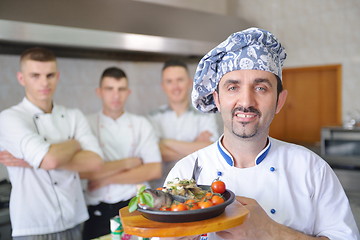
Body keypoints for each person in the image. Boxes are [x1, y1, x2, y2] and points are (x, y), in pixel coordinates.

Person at [163, 28, 360, 239]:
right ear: (218, 100)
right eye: (232, 87)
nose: (246, 102)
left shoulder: (312, 169)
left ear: (279, 101)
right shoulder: (186, 173)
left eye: (261, 88)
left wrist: (269, 230)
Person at [0, 47, 103, 239]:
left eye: (50, 75)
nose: (44, 82)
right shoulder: (9, 118)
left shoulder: (74, 115)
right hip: (33, 226)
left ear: (58, 76)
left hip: (74, 220)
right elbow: (50, 160)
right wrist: (74, 144)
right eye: (35, 75)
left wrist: (32, 159)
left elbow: (95, 162)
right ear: (21, 78)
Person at [80, 67, 162, 239]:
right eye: (109, 89)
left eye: (121, 89)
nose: (115, 95)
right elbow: (82, 171)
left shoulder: (141, 124)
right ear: (99, 92)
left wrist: (105, 178)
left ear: (128, 92)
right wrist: (127, 163)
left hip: (135, 206)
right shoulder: (85, 124)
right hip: (98, 211)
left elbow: (154, 169)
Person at [148, 59, 219, 188]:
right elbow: (156, 154)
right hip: (161, 188)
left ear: (189, 83)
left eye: (180, 80)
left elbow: (210, 149)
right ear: (163, 86)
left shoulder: (205, 114)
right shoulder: (153, 117)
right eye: (169, 81)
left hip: (197, 187)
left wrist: (165, 142)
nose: (175, 87)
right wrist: (196, 147)